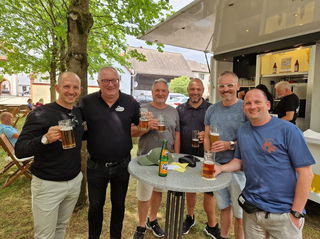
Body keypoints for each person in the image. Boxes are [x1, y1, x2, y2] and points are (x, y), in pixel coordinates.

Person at [214, 89, 315, 239]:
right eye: (248, 103)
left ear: (268, 105)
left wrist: (296, 213)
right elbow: (240, 161)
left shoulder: (288, 130)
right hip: (252, 211)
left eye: (257, 102)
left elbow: (306, 173)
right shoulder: (243, 131)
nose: (252, 106)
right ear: (243, 107)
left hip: (283, 214)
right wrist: (221, 168)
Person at [14, 72, 84, 239]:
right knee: (44, 235)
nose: (71, 91)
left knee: (61, 227)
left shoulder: (78, 112)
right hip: (48, 185)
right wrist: (44, 139)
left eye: (75, 87)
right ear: (57, 88)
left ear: (80, 90)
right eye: (66, 86)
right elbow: (20, 150)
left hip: (74, 181)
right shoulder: (40, 113)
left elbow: (82, 135)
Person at [79, 66, 140, 239]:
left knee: (119, 205)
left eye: (114, 80)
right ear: (98, 82)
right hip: (96, 165)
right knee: (96, 206)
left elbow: (140, 125)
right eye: (105, 80)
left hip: (122, 164)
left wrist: (146, 124)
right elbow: (76, 128)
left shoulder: (130, 102)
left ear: (119, 81)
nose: (110, 84)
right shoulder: (86, 102)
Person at [132, 78, 180, 239]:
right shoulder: (143, 109)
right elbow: (133, 132)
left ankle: (153, 220)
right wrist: (145, 128)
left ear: (167, 93)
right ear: (152, 92)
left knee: (158, 191)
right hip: (146, 158)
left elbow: (177, 134)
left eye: (163, 91)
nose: (160, 93)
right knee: (144, 195)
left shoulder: (173, 111)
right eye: (157, 90)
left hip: (166, 159)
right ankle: (141, 225)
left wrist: (177, 156)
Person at [204, 71, 247, 239]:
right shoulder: (212, 109)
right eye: (222, 86)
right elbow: (206, 136)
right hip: (217, 167)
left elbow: (252, 140)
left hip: (239, 170)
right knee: (224, 207)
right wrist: (208, 159)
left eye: (230, 85)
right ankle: (223, 236)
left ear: (237, 86)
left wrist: (230, 144)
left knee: (240, 214)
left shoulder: (245, 108)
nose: (226, 89)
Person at [176, 78, 219, 235]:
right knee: (189, 189)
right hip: (185, 156)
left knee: (209, 191)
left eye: (198, 89)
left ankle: (212, 225)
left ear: (203, 90)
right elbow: (177, 133)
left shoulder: (211, 108)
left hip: (206, 156)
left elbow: (217, 130)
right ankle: (190, 217)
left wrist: (206, 134)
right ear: (188, 90)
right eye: (192, 89)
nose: (195, 92)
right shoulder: (180, 109)